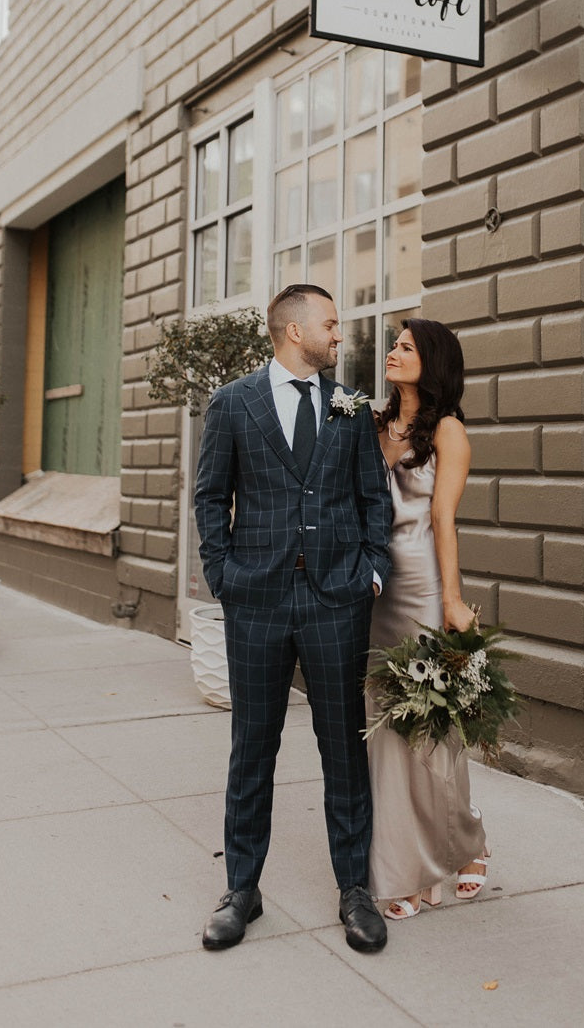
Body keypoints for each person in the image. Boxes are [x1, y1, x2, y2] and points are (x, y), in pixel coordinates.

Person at [194, 284, 393, 953]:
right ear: (292, 329)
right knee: (253, 748)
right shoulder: (233, 403)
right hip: (257, 600)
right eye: (330, 323)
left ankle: (355, 890)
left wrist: (372, 570)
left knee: (343, 749)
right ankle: (241, 891)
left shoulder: (352, 406)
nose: (339, 333)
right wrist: (224, 579)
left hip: (337, 599)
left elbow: (375, 498)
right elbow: (209, 495)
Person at [367, 317, 490, 919]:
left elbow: (444, 519)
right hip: (370, 587)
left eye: (406, 347)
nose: (392, 352)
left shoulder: (448, 431)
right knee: (384, 730)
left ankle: (461, 847)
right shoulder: (370, 424)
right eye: (393, 344)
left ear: (433, 360)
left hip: (418, 584)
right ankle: (405, 861)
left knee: (428, 729)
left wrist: (452, 599)